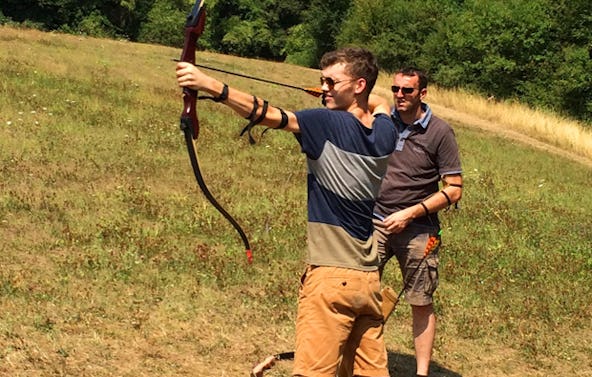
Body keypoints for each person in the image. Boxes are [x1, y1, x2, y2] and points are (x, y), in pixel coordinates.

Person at [176, 47, 396, 377]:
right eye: (322, 81)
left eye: (331, 82)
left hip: (331, 280)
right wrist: (353, 96)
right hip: (369, 282)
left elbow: (267, 114)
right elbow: (382, 105)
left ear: (359, 84)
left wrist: (209, 84)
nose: (324, 88)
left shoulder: (326, 123)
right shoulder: (385, 134)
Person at [373, 67, 463, 377]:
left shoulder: (440, 132)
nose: (399, 95)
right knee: (362, 290)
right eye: (395, 89)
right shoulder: (384, 121)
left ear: (422, 93)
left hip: (418, 230)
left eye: (407, 90)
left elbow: (454, 189)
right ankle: (362, 359)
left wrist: (409, 214)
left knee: (420, 300)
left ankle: (421, 372)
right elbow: (364, 99)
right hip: (376, 222)